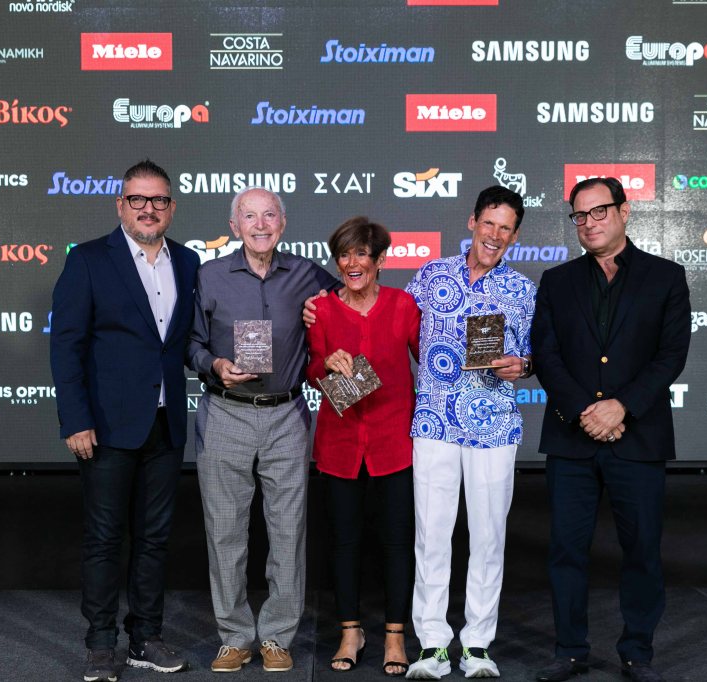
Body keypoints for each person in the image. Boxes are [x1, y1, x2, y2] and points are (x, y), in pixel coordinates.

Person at [531, 177, 691, 682]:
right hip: (571, 439)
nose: (589, 223)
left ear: (624, 212)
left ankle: (637, 652)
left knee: (642, 550)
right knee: (566, 551)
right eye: (580, 215)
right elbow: (547, 356)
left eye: (599, 211)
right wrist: (587, 411)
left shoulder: (667, 277)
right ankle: (569, 650)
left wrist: (622, 407)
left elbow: (671, 356)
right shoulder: (556, 281)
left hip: (638, 437)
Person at [50, 159, 199, 682]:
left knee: (155, 538)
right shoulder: (89, 260)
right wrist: (75, 419)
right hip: (106, 426)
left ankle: (145, 637)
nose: (148, 209)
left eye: (158, 200)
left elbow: (186, 340)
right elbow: (66, 346)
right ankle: (100, 643)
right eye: (138, 199)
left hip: (166, 422)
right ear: (121, 205)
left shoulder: (188, 261)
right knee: (104, 538)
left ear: (171, 207)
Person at [187, 187, 338, 673]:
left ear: (283, 223)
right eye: (249, 216)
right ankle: (234, 637)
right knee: (224, 531)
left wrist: (327, 315)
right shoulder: (208, 275)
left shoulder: (309, 274)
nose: (260, 224)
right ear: (234, 227)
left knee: (288, 531)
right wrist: (214, 364)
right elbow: (190, 343)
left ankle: (276, 636)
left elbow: (352, 307)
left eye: (269, 214)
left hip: (287, 414)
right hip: (225, 411)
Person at [404, 186, 536, 680]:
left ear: (514, 236)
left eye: (506, 228)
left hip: (494, 426)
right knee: (431, 536)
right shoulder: (431, 275)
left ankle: (477, 644)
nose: (495, 235)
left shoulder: (523, 291)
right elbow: (392, 325)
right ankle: (433, 644)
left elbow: (538, 356)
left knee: (488, 538)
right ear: (472, 222)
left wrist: (523, 366)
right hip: (434, 422)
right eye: (489, 223)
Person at [306, 217, 421, 676]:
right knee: (344, 542)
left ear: (380, 260)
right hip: (340, 443)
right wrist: (325, 365)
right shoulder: (321, 309)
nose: (352, 263)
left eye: (361, 254)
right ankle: (350, 631)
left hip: (394, 442)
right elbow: (312, 368)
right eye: (344, 255)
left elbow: (429, 358)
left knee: (397, 542)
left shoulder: (403, 304)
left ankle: (395, 635)